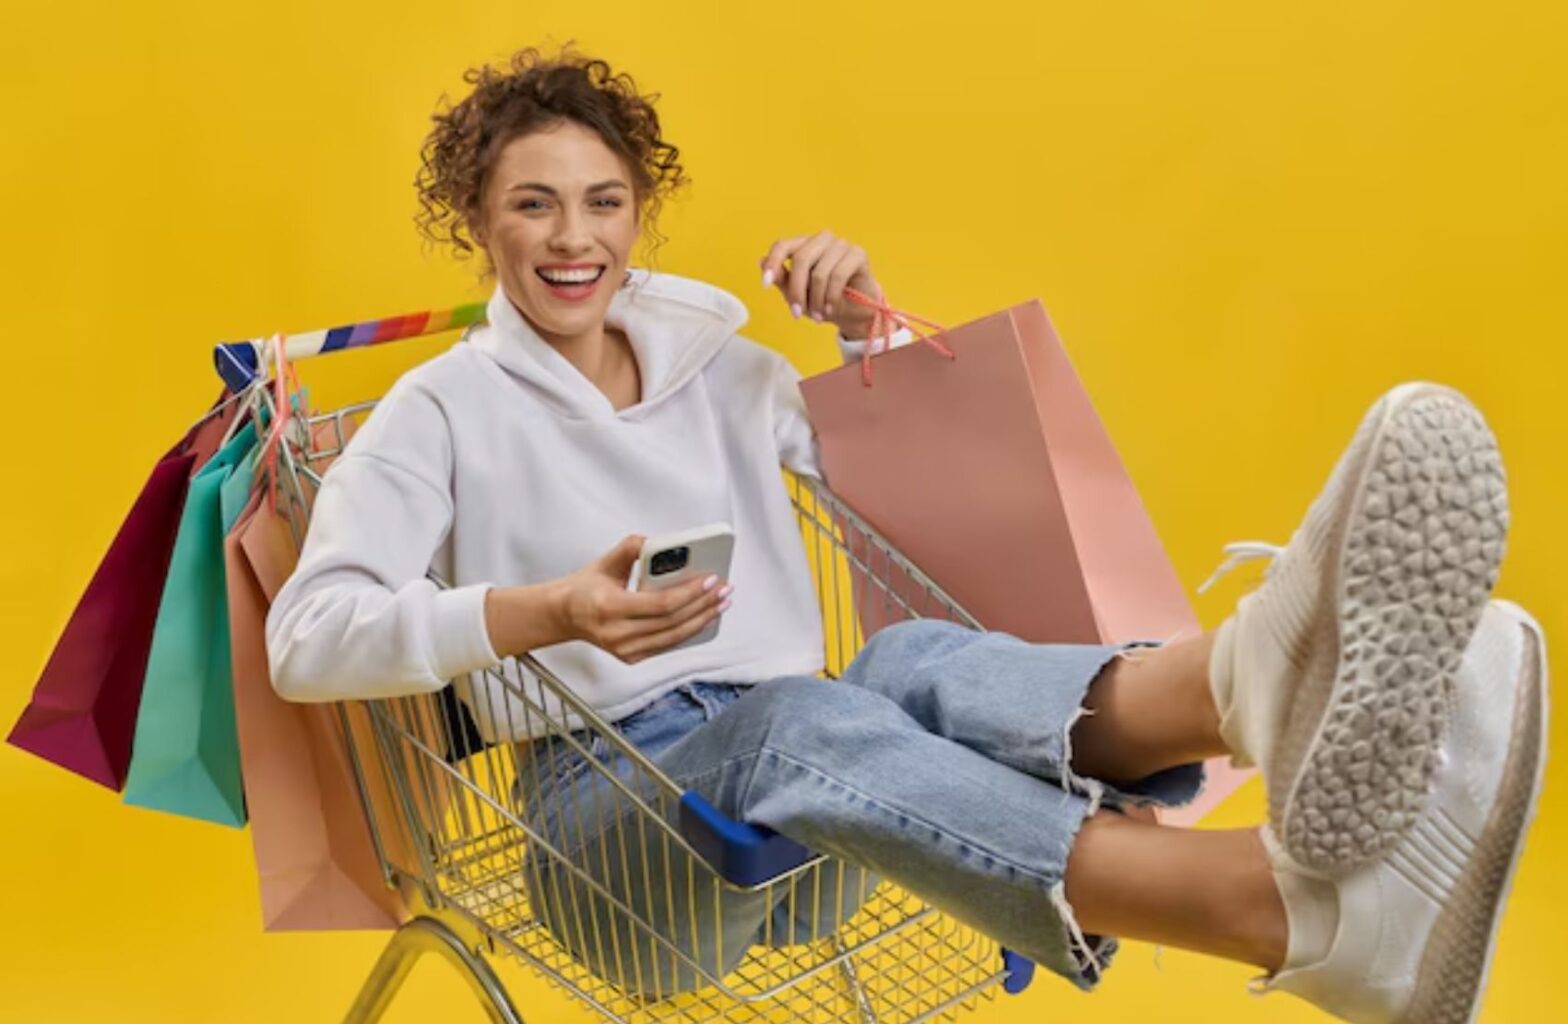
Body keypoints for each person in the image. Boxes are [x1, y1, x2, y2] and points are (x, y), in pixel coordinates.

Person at [264, 46, 1548, 1023]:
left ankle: (1253, 684)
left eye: (601, 202)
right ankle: (1264, 905)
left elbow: (915, 477)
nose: (571, 238)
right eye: (531, 206)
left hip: (823, 815)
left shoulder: (722, 369)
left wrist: (862, 328)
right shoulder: (439, 410)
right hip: (620, 848)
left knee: (904, 664)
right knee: (800, 715)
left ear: (638, 211)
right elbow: (306, 640)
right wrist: (539, 611)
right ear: (475, 224)